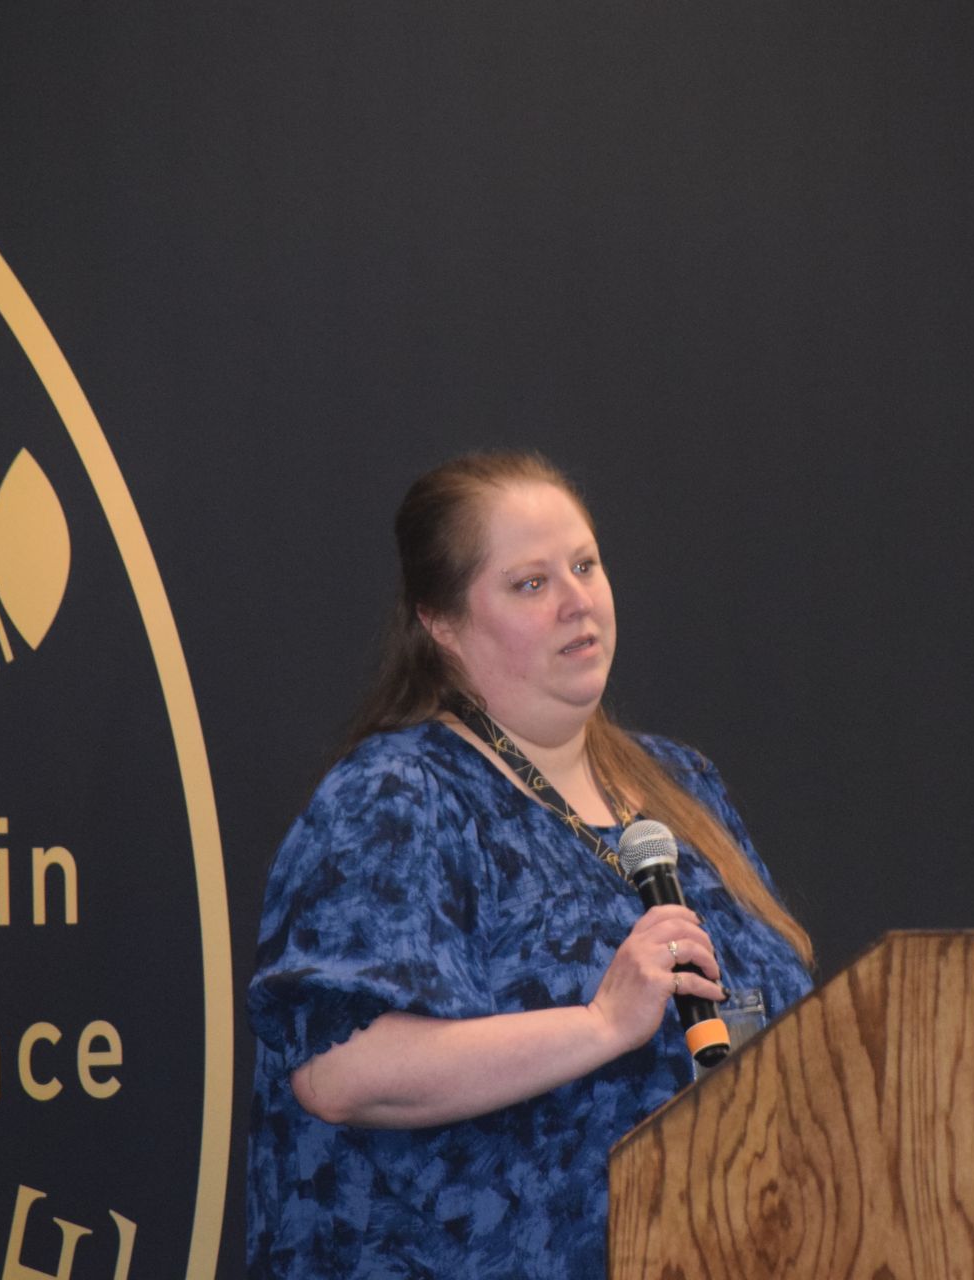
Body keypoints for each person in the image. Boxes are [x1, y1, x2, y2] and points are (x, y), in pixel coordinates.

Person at [245, 450, 815, 1277]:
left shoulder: (680, 782)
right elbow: (342, 1069)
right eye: (530, 584)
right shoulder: (398, 796)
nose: (577, 601)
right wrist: (600, 1026)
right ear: (439, 622)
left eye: (585, 565)